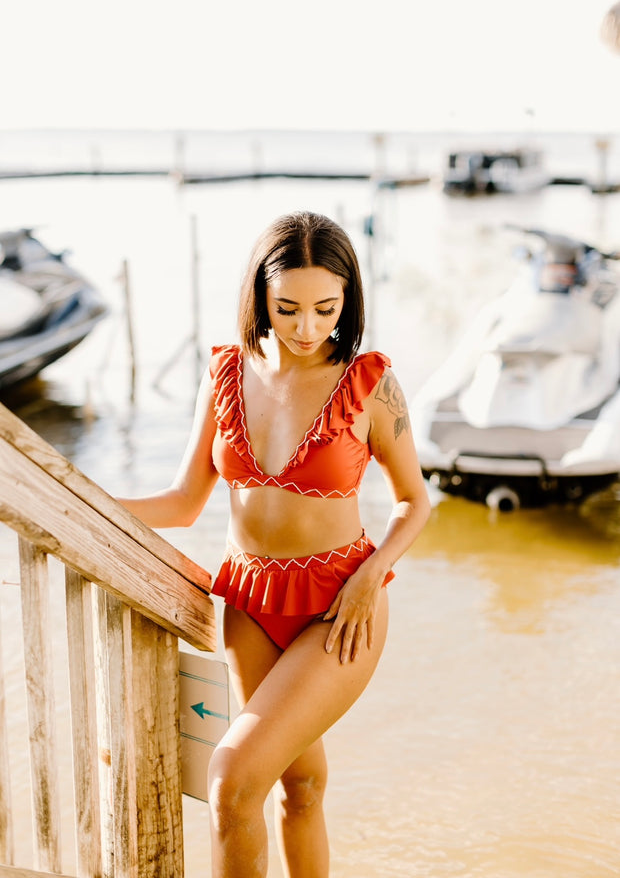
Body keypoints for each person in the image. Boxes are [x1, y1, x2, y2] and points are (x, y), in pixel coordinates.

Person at [118, 210, 431, 877]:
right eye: (287, 308)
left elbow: (415, 502)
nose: (307, 327)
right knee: (300, 785)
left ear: (348, 302)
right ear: (259, 296)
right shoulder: (226, 375)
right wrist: (84, 502)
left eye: (326, 308)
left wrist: (373, 575)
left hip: (340, 608)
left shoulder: (369, 384)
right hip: (248, 603)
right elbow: (182, 502)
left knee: (231, 779)